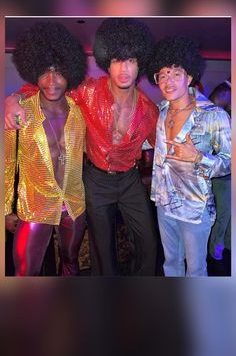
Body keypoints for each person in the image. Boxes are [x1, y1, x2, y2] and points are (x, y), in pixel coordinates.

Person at [5, 18, 158, 276]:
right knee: (101, 247)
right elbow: (46, 84)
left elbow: (164, 149)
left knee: (149, 242)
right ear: (106, 63)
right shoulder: (87, 92)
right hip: (95, 180)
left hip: (129, 179)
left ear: (139, 64)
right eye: (117, 60)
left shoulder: (149, 111)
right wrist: (13, 98)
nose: (123, 68)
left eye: (130, 60)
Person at [5, 21, 87, 276]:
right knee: (26, 271)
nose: (51, 80)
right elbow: (7, 166)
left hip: (73, 204)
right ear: (33, 73)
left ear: (70, 74)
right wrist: (5, 210)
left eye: (59, 72)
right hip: (35, 207)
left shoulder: (80, 112)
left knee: (71, 260)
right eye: (44, 72)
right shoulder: (20, 113)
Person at [147, 36, 231, 277]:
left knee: (195, 269)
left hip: (195, 207)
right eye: (162, 75)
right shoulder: (161, 111)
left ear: (190, 77)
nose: (168, 81)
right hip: (164, 203)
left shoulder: (214, 115)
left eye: (175, 73)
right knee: (171, 263)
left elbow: (229, 161)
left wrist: (198, 158)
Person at [208, 78, 231, 262]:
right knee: (223, 213)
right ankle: (216, 248)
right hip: (221, 174)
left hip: (228, 173)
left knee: (229, 213)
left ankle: (227, 245)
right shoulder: (217, 116)